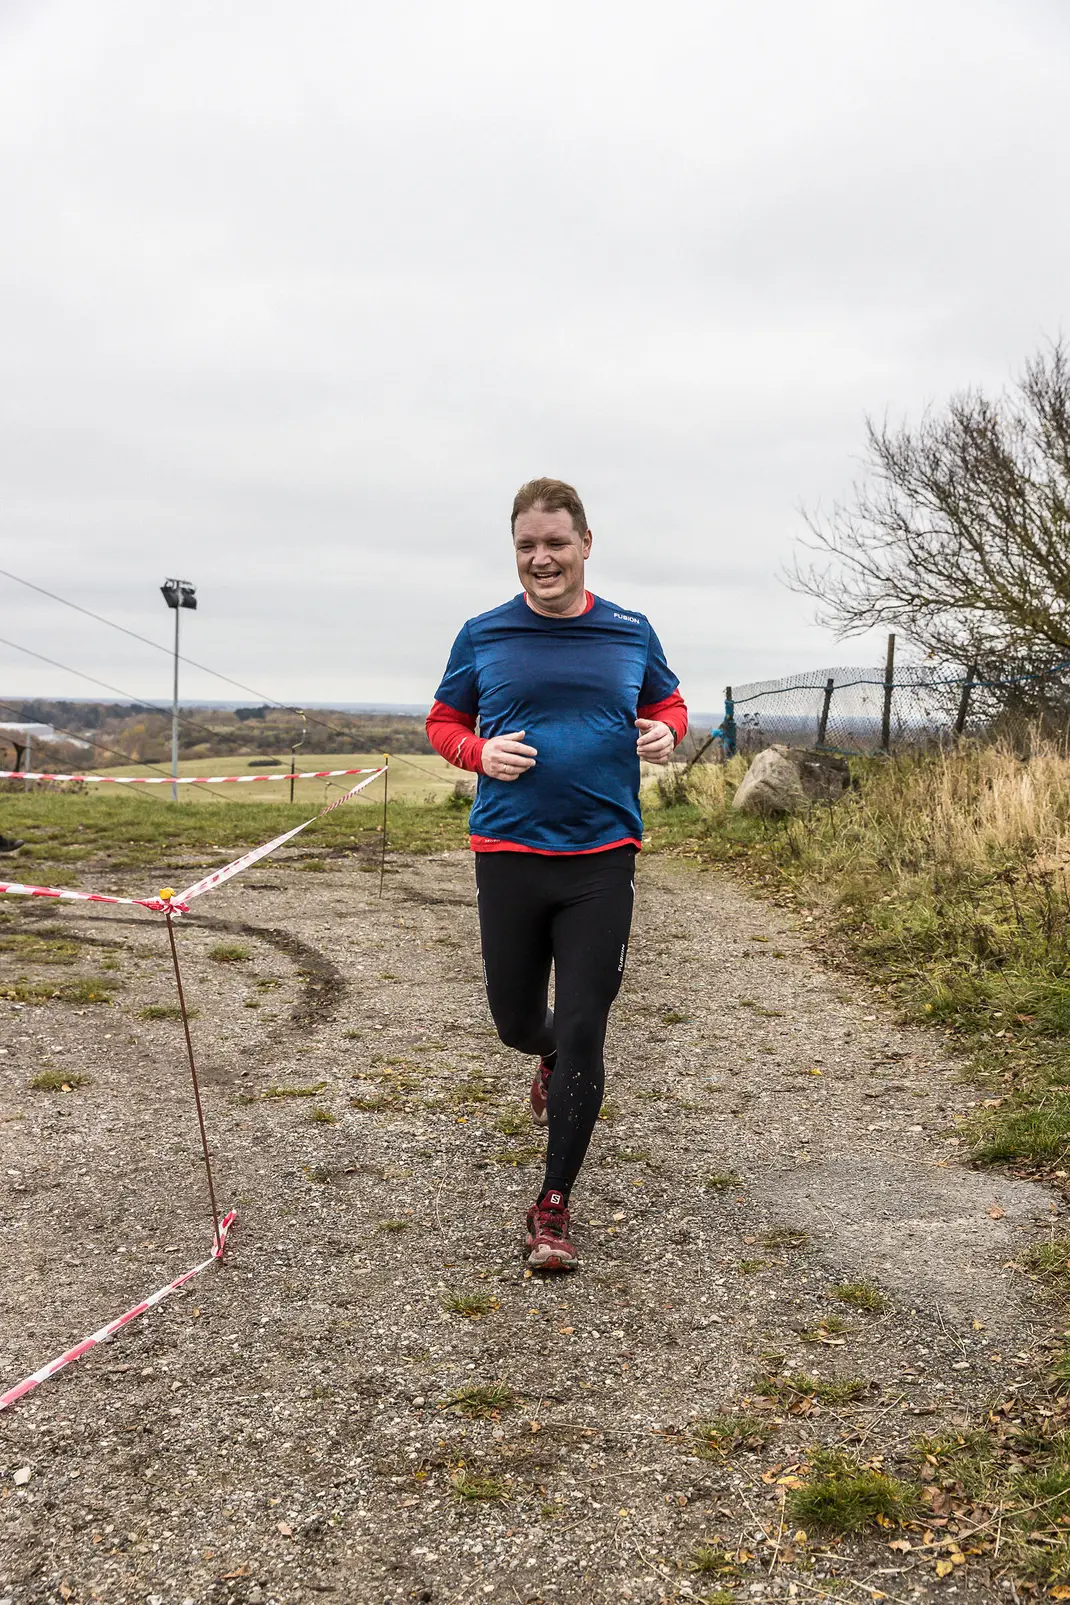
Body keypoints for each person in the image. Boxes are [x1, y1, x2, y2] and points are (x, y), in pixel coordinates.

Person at [426, 477, 687, 1271]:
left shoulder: (629, 630)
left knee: (583, 1027)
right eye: (527, 545)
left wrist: (666, 732)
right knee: (516, 1021)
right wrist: (479, 752)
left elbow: (671, 704)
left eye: (555, 543)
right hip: (509, 853)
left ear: (585, 545)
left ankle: (553, 1205)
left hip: (602, 857)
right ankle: (542, 1056)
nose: (541, 558)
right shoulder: (484, 633)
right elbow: (443, 720)